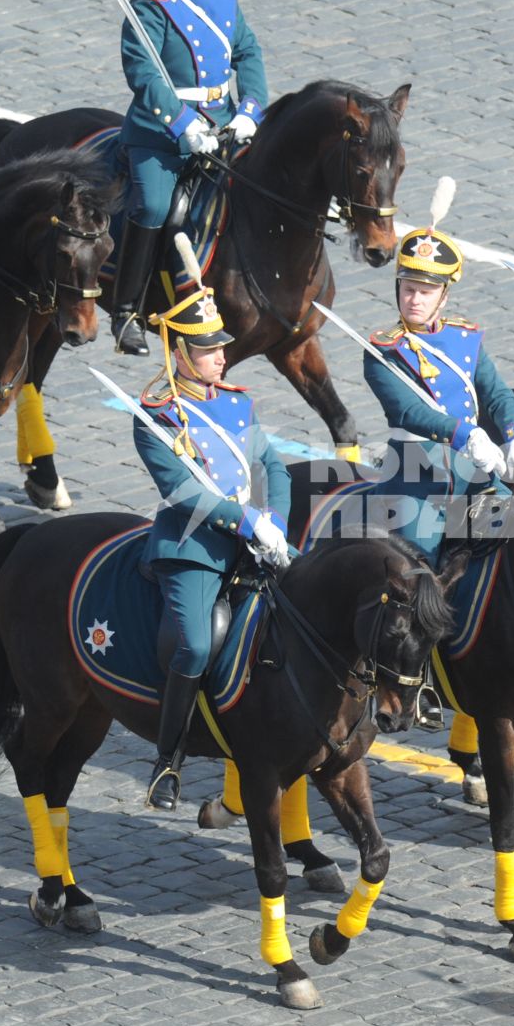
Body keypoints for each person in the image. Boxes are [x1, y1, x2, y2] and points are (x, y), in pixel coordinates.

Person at [134, 275, 291, 811]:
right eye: (207, 351)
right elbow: (183, 494)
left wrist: (277, 522)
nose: (221, 359)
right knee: (196, 645)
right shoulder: (156, 414)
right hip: (193, 546)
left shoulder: (236, 405)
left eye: (221, 348)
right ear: (179, 352)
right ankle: (168, 759)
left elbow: (271, 466)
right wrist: (249, 523)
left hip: (255, 541)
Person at [108, 0, 267, 355]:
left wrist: (250, 108)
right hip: (162, 133)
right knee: (155, 205)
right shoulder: (150, 2)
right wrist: (181, 125)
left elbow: (248, 53)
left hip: (221, 124)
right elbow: (143, 74)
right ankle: (126, 310)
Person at [360, 177, 514, 561]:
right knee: (418, 577)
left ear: (444, 295)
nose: (414, 299)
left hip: (474, 473)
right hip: (415, 481)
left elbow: (497, 393)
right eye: (407, 288)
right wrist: (467, 434)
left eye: (425, 291)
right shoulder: (383, 351)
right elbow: (409, 412)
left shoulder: (464, 339)